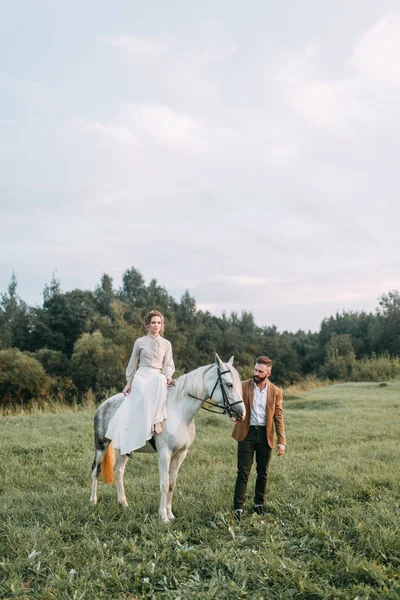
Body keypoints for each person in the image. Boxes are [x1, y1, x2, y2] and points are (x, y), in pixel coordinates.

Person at [105, 310, 175, 455]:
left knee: (161, 379)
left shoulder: (166, 344)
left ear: (162, 325)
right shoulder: (140, 342)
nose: (156, 325)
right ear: (148, 325)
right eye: (153, 323)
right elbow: (132, 363)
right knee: (139, 399)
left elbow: (168, 364)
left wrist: (168, 376)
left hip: (158, 376)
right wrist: (129, 381)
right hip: (142, 376)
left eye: (159, 323)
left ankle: (157, 421)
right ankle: (131, 435)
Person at [231, 356, 286, 519]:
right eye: (255, 369)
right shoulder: (243, 386)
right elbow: (233, 403)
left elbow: (279, 416)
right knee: (243, 472)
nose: (256, 373)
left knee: (263, 472)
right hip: (246, 433)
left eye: (260, 371)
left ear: (268, 373)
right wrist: (233, 415)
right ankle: (238, 508)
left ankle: (258, 504)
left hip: (265, 435)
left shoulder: (276, 392)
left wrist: (281, 441)